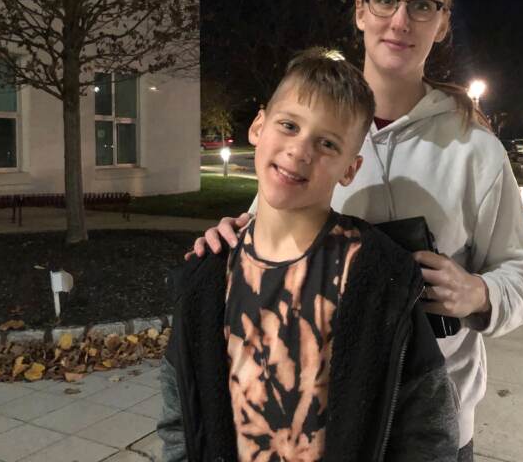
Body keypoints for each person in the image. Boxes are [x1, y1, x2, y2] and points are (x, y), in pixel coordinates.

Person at [191, 0, 523, 461]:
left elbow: (520, 275)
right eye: (385, 0)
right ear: (360, 11)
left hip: (430, 424)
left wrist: (477, 293)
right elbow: (272, 221)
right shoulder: (319, 130)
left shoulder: (475, 150)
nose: (400, 20)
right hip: (318, 419)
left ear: (442, 24)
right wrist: (232, 236)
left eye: (423, 5)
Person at [159, 48, 459, 461]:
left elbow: (428, 431)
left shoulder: (378, 277)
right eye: (288, 125)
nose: (300, 151)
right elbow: (181, 419)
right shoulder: (208, 278)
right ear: (258, 126)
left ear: (350, 169)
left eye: (327, 143)